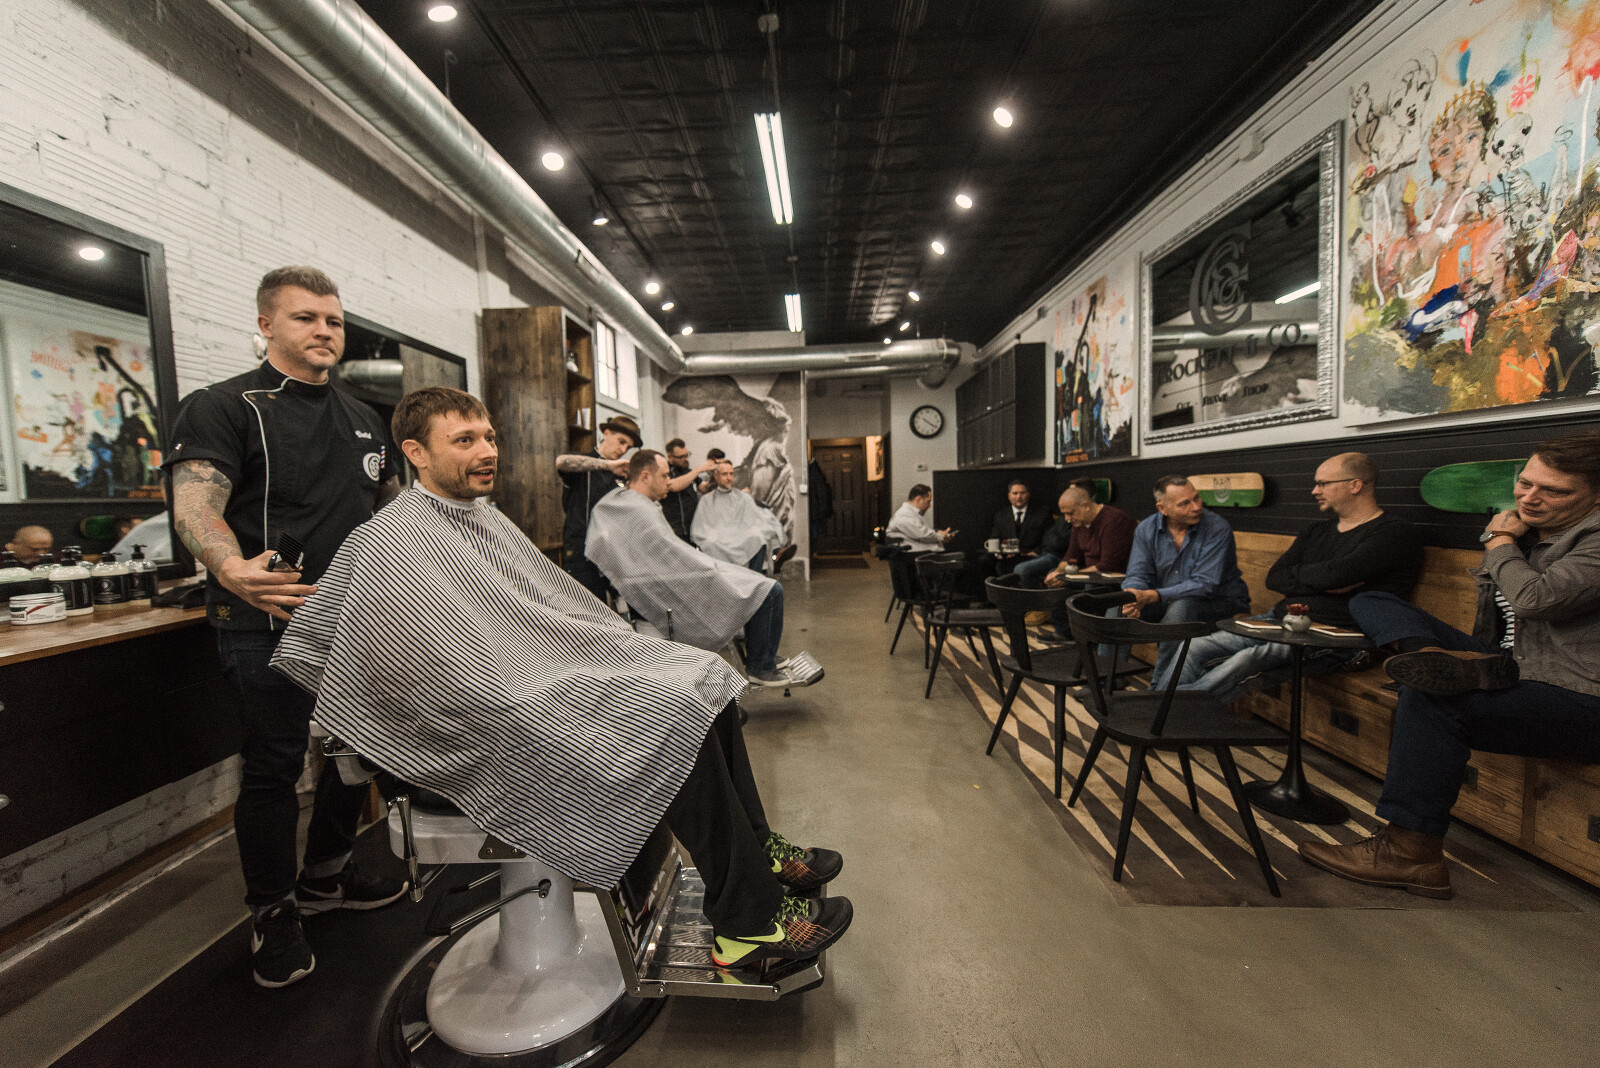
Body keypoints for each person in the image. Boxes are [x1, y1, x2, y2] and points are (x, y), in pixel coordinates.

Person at [270, 388, 851, 968]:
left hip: (531, 679)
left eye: (489, 437)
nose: (487, 451)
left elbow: (552, 612)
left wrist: (613, 657)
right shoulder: (387, 540)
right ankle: (747, 924)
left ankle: (757, 857)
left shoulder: (482, 518)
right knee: (667, 711)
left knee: (700, 676)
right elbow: (425, 671)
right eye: (464, 440)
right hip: (479, 721)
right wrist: (551, 682)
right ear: (415, 452)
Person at [165, 265, 405, 989]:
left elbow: (393, 514)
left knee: (358, 749)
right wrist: (229, 566)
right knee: (274, 764)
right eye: (306, 318)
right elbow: (194, 503)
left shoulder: (366, 417)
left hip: (355, 621)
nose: (324, 331)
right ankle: (272, 912)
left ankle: (326, 874)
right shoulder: (223, 406)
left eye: (334, 320)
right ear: (267, 324)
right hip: (263, 617)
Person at [1300, 433, 1600, 899]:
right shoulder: (1535, 531)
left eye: (1553, 491)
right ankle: (1428, 657)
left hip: (1578, 694)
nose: (1528, 497)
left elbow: (1534, 599)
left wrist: (1500, 540)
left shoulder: (1584, 540)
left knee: (1435, 700)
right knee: (1373, 600)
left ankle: (1411, 854)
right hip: (1509, 665)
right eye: (1525, 483)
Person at [1169, 453, 1423, 698]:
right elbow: (1276, 577)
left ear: (1355, 485)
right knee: (1193, 647)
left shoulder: (1394, 533)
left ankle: (1166, 712)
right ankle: (1163, 709)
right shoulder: (1316, 531)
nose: (1314, 491)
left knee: (1247, 660)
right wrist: (1326, 579)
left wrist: (1311, 577)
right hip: (1281, 621)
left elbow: (1336, 576)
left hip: (1342, 637)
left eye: (1323, 483)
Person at [587, 450, 820, 688]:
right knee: (769, 590)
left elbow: (659, 553)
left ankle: (763, 657)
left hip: (676, 576)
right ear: (646, 476)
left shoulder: (625, 503)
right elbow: (666, 556)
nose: (669, 481)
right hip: (675, 585)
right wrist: (705, 567)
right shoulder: (638, 510)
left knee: (757, 584)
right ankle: (760, 666)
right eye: (665, 476)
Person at [1119, 475, 1251, 684]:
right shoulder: (1146, 528)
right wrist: (1133, 594)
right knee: (1119, 606)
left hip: (1218, 603)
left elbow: (1205, 584)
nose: (1196, 507)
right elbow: (1137, 573)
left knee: (1181, 608)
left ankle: (1161, 689)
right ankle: (1106, 681)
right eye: (1184, 503)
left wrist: (1153, 595)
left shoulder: (1217, 527)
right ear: (1162, 508)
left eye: (1196, 498)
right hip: (1166, 600)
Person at [555, 416, 640, 598]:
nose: (623, 450)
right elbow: (561, 461)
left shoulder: (621, 476)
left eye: (628, 447)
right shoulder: (583, 464)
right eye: (621, 442)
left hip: (612, 555)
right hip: (581, 555)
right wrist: (608, 465)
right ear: (606, 433)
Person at [693, 461, 787, 571]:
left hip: (740, 534)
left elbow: (756, 520)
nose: (729, 478)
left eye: (731, 474)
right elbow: (700, 528)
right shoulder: (706, 500)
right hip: (718, 536)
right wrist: (714, 533)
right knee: (710, 542)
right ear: (716, 476)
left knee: (758, 537)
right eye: (724, 474)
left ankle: (755, 577)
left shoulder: (743, 497)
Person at [662, 438, 716, 542]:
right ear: (670, 457)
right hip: (675, 530)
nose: (686, 459)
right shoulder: (665, 471)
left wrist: (714, 477)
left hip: (692, 528)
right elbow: (674, 485)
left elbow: (704, 488)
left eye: (687, 455)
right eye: (681, 457)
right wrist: (699, 469)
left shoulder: (688, 471)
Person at [989, 480, 1051, 554]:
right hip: (1007, 555)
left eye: (1022, 493)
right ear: (1009, 496)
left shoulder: (1042, 514)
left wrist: (1036, 552)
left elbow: (1048, 539)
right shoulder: (1000, 516)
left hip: (1032, 555)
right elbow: (995, 539)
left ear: (1028, 494)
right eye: (1015, 493)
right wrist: (1000, 554)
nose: (1018, 497)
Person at [886, 484, 951, 551]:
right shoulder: (904, 514)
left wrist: (938, 533)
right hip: (915, 555)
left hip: (922, 553)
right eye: (928, 501)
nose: (929, 506)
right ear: (918, 499)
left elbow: (922, 532)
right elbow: (923, 535)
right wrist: (941, 536)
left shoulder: (912, 514)